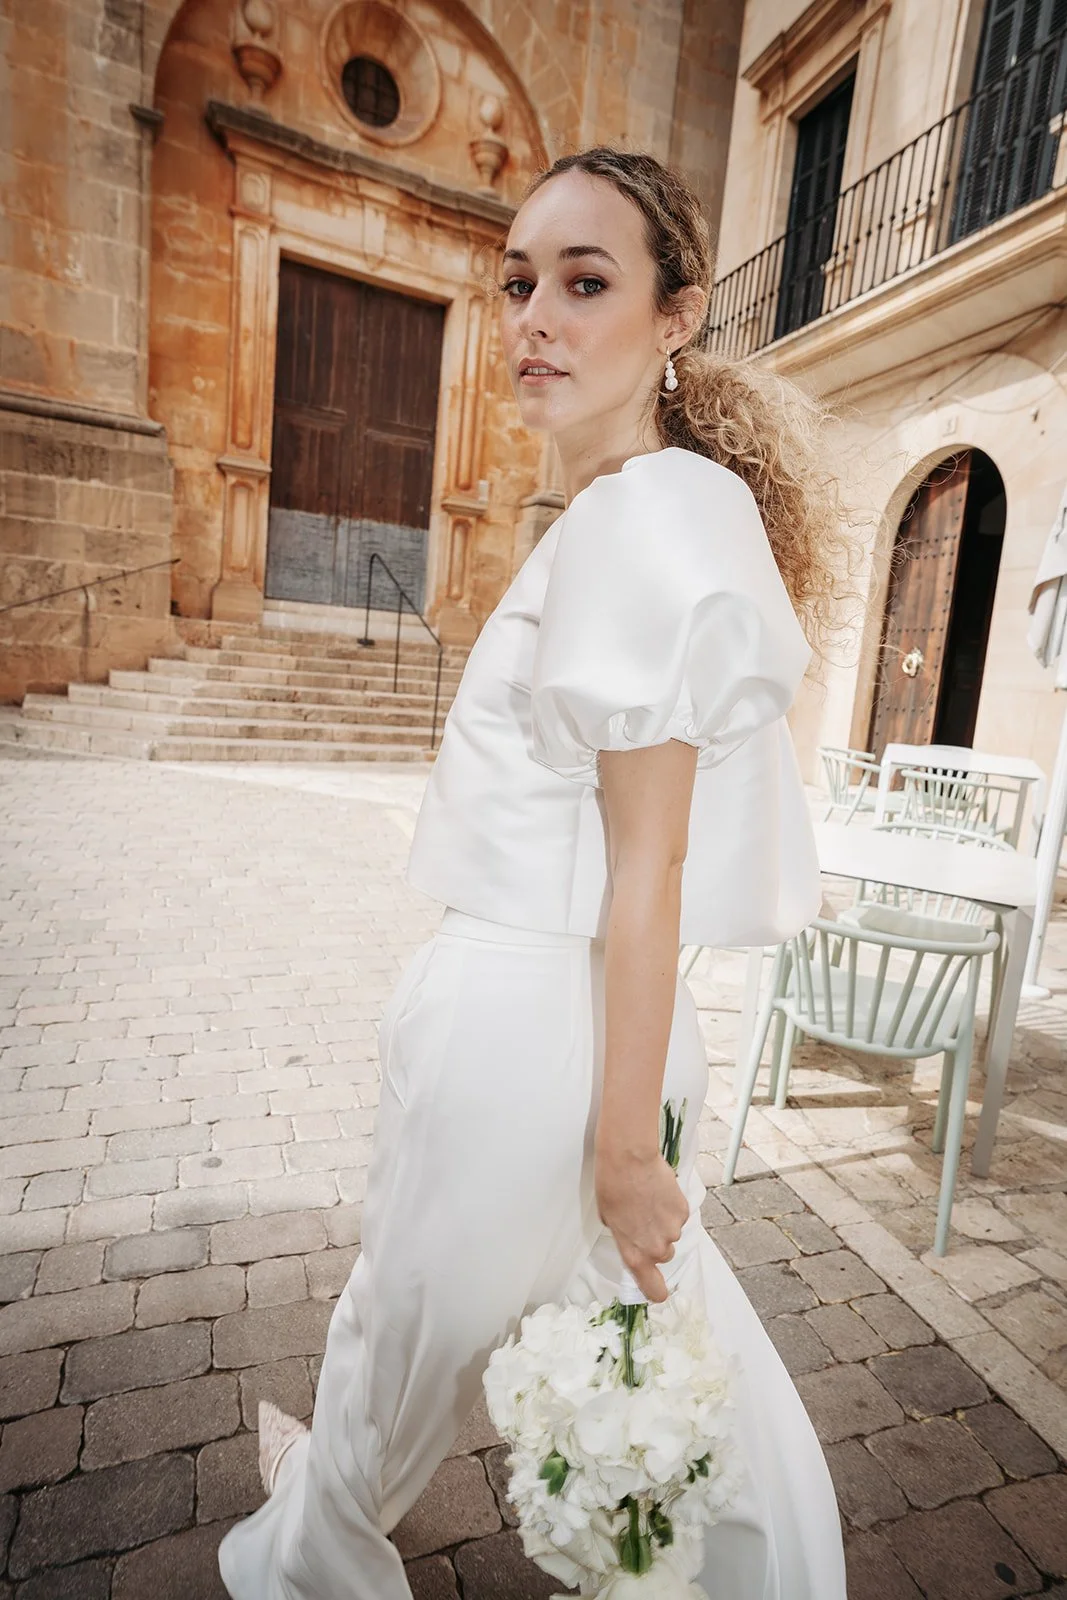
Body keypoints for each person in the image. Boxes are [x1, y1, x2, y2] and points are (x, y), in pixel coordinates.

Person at [218, 146, 850, 1600]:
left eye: (585, 282)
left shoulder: (643, 516)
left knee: (417, 1328)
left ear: (677, 315)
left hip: (530, 1031)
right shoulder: (640, 509)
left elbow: (652, 863)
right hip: (583, 1031)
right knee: (655, 1344)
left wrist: (624, 1153)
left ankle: (315, 1546)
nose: (534, 319)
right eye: (517, 283)